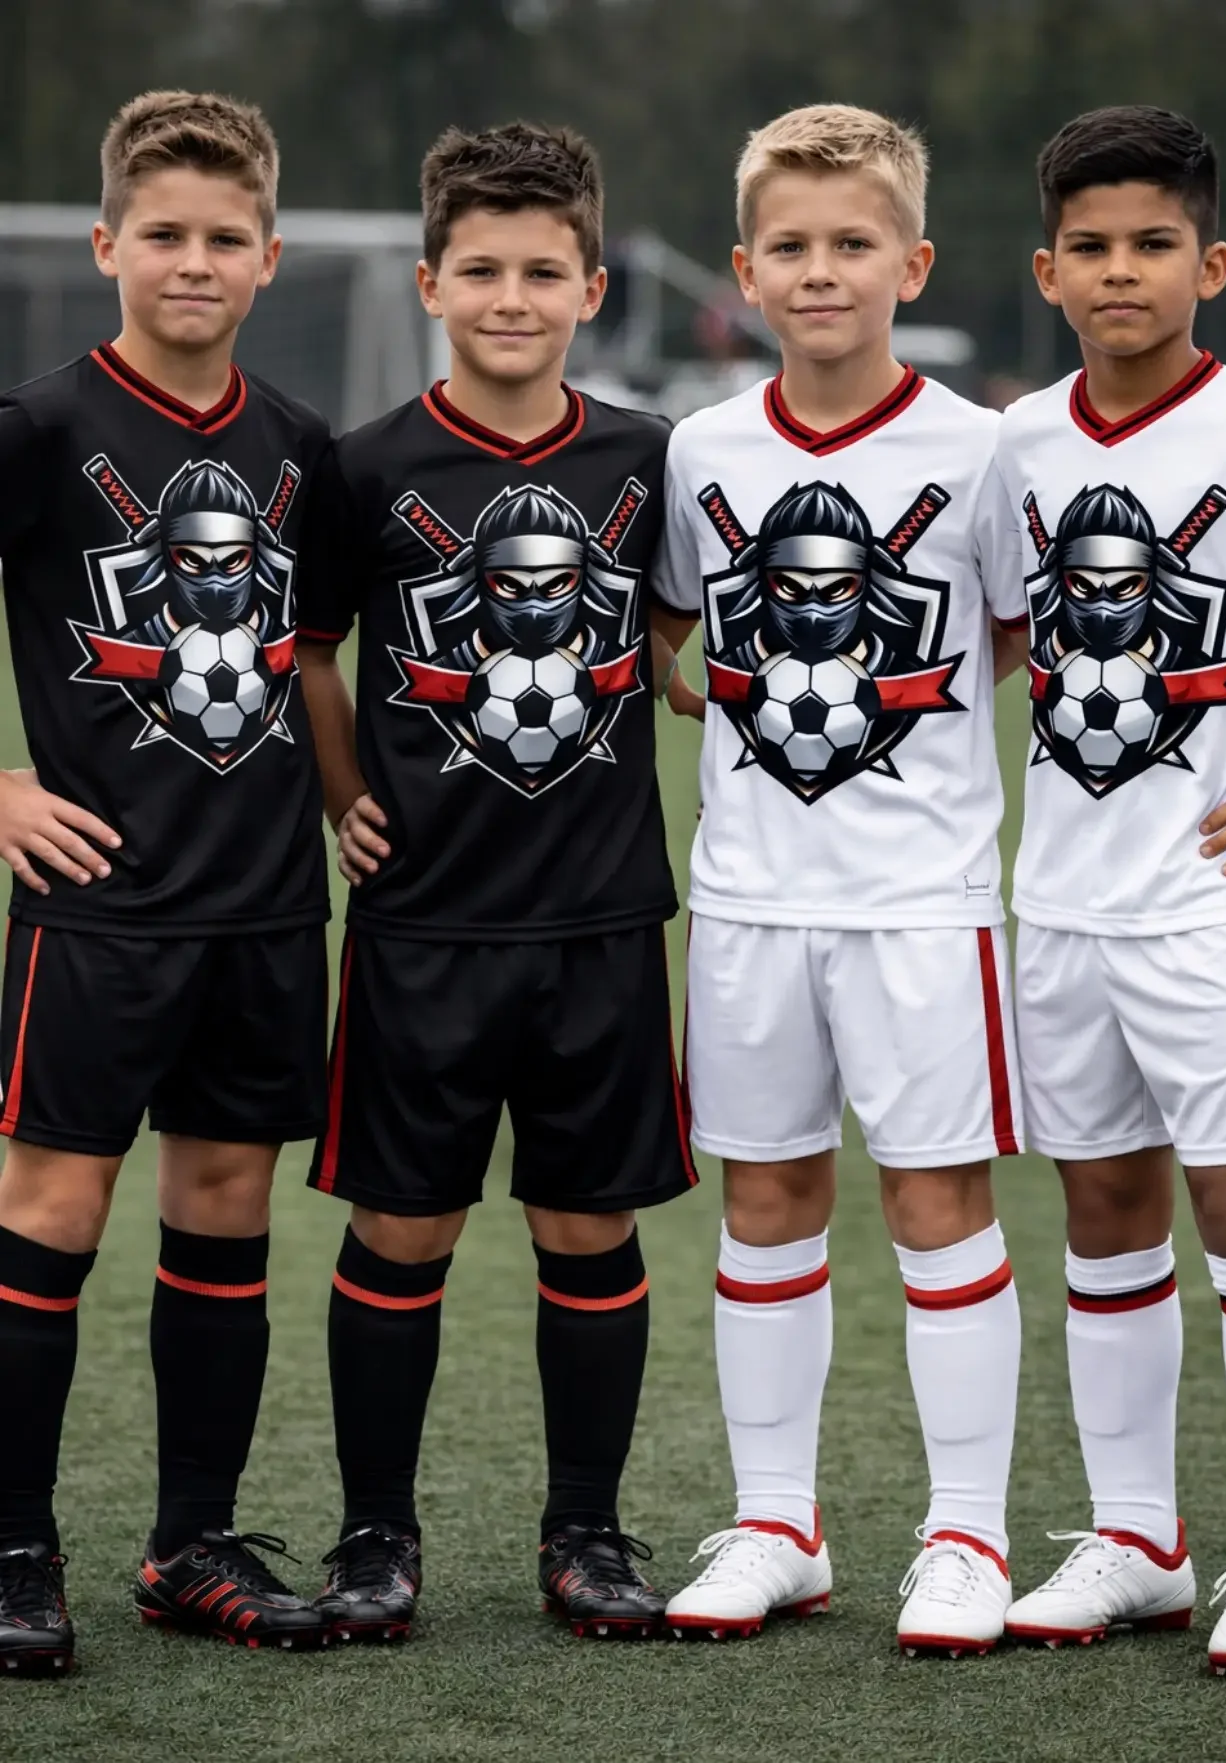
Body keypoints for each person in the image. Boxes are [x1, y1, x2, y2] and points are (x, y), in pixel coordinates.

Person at [295, 121, 696, 1645]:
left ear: (592, 285)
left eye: (543, 270)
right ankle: (375, 1539)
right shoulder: (370, 464)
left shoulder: (649, 457)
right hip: (424, 924)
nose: (512, 295)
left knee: (589, 1230)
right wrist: (344, 795)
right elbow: (317, 655)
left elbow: (670, 639)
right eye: (482, 269)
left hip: (599, 919)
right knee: (404, 1229)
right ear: (430, 281)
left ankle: (586, 1532)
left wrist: (692, 683)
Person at [653, 104, 1028, 1655]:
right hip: (747, 894)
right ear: (745, 270)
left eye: (853, 244)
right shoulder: (701, 447)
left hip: (925, 900)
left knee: (941, 1202)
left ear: (912, 260)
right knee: (766, 1197)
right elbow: (678, 627)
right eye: (791, 248)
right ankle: (776, 1523)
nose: (822, 272)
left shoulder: (980, 448)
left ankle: (968, 1535)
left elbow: (1011, 630)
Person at [0, 90, 332, 1674]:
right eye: (165, 235)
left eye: (224, 238)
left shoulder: (301, 448)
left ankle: (189, 1542)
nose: (193, 261)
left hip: (265, 909)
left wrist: (346, 800)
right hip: (99, 909)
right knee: (51, 1212)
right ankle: (13, 1551)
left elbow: (322, 658)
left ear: (268, 258)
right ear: (108, 244)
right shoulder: (42, 429)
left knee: (225, 1211)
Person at [994, 105, 1226, 1679]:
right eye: (1094, 248)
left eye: (1154, 244)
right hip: (1056, 902)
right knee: (1105, 1211)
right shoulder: (1018, 444)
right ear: (1047, 269)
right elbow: (989, 628)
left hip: (1216, 906)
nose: (1123, 272)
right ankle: (1139, 1538)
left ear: (1213, 260)